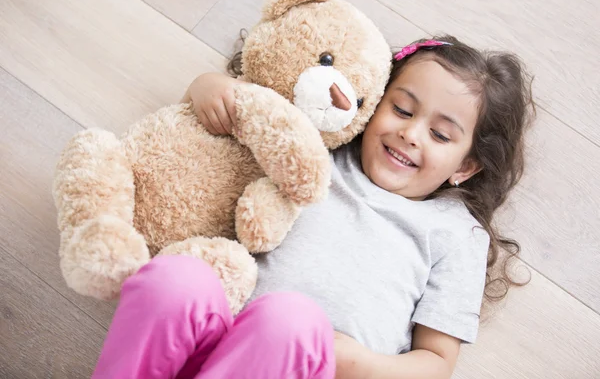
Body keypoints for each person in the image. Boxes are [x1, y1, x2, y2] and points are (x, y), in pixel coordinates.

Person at [91, 35, 534, 379]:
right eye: (401, 109)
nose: (411, 134)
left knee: (290, 320)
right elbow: (252, 110)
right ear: (373, 101)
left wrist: (355, 361)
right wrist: (208, 88)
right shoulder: (321, 147)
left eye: (440, 135)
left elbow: (436, 362)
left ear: (468, 166)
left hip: (317, 366)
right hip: (213, 345)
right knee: (177, 277)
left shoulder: (457, 233)